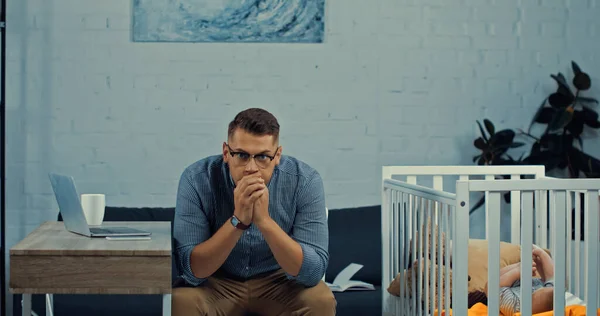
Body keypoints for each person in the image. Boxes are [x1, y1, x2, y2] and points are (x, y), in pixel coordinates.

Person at [171, 108, 336, 316]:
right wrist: (238, 221)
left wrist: (265, 222)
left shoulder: (305, 181)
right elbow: (191, 271)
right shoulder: (196, 179)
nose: (251, 168)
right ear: (225, 152)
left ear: (277, 156)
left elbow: (312, 273)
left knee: (320, 300)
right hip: (216, 282)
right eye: (241, 155)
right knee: (181, 300)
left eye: (263, 157)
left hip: (279, 282)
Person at [485, 245, 555, 316]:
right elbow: (550, 281)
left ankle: (520, 266)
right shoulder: (545, 290)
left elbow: (496, 288)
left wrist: (518, 270)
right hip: (532, 284)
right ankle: (540, 258)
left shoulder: (515, 307)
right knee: (551, 281)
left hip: (506, 288)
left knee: (491, 284)